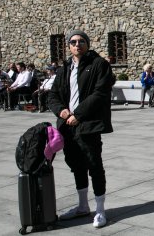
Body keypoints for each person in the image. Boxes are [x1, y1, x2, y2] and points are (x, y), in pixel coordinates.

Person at [48, 30, 114, 228]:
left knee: (94, 165)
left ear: (87, 44)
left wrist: (79, 114)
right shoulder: (65, 68)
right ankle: (83, 206)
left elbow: (100, 93)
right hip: (68, 125)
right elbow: (53, 95)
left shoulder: (99, 64)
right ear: (69, 46)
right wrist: (62, 112)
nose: (77, 45)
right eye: (73, 42)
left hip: (88, 125)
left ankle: (100, 210)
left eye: (81, 41)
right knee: (76, 165)